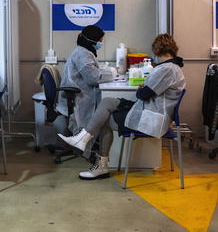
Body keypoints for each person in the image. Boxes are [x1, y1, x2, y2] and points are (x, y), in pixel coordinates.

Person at [58, 34, 186, 179]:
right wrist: (144, 88)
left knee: (104, 120)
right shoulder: (170, 67)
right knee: (108, 102)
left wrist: (142, 88)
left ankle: (100, 165)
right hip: (149, 109)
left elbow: (143, 94)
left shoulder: (167, 69)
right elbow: (149, 91)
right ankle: (83, 138)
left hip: (151, 117)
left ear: (158, 51)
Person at [55, 25, 115, 157]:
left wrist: (109, 72)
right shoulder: (82, 54)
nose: (100, 43)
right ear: (92, 40)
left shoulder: (84, 52)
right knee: (103, 113)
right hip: (78, 97)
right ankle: (85, 147)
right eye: (100, 41)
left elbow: (94, 72)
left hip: (82, 93)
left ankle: (86, 144)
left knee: (104, 108)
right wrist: (112, 73)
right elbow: (94, 77)